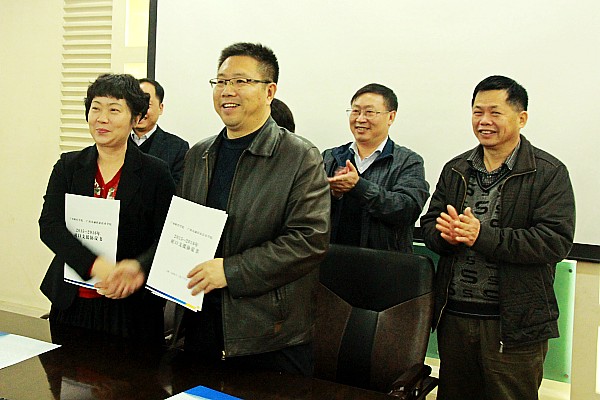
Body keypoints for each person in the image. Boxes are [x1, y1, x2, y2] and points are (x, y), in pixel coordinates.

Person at [173, 42, 330, 376]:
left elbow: (308, 241)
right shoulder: (200, 154)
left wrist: (230, 271)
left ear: (269, 91)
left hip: (266, 333)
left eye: (241, 81)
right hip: (201, 320)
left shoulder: (300, 157)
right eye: (221, 81)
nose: (227, 90)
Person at [420, 75, 575, 400]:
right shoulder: (456, 168)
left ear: (522, 118)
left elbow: (554, 241)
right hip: (455, 317)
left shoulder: (548, 172)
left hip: (515, 324)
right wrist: (445, 235)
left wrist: (482, 236)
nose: (484, 121)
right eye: (477, 112)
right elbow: (430, 223)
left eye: (495, 112)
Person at [39, 73, 176, 344]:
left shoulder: (155, 173)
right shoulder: (68, 166)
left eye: (114, 110)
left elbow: (168, 236)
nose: (102, 119)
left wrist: (139, 267)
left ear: (135, 118)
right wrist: (94, 265)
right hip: (73, 301)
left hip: (130, 308)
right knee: (66, 370)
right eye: (96, 108)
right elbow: (50, 226)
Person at [322, 83, 429, 253]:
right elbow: (310, 209)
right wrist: (334, 194)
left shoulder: (408, 161)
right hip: (332, 257)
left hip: (384, 263)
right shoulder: (330, 157)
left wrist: (359, 186)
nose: (360, 119)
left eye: (369, 112)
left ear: (391, 117)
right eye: (355, 111)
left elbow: (408, 209)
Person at [131, 78, 189, 185]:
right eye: (135, 104)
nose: (140, 111)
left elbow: (177, 188)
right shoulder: (116, 142)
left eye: (147, 105)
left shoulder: (178, 147)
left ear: (160, 108)